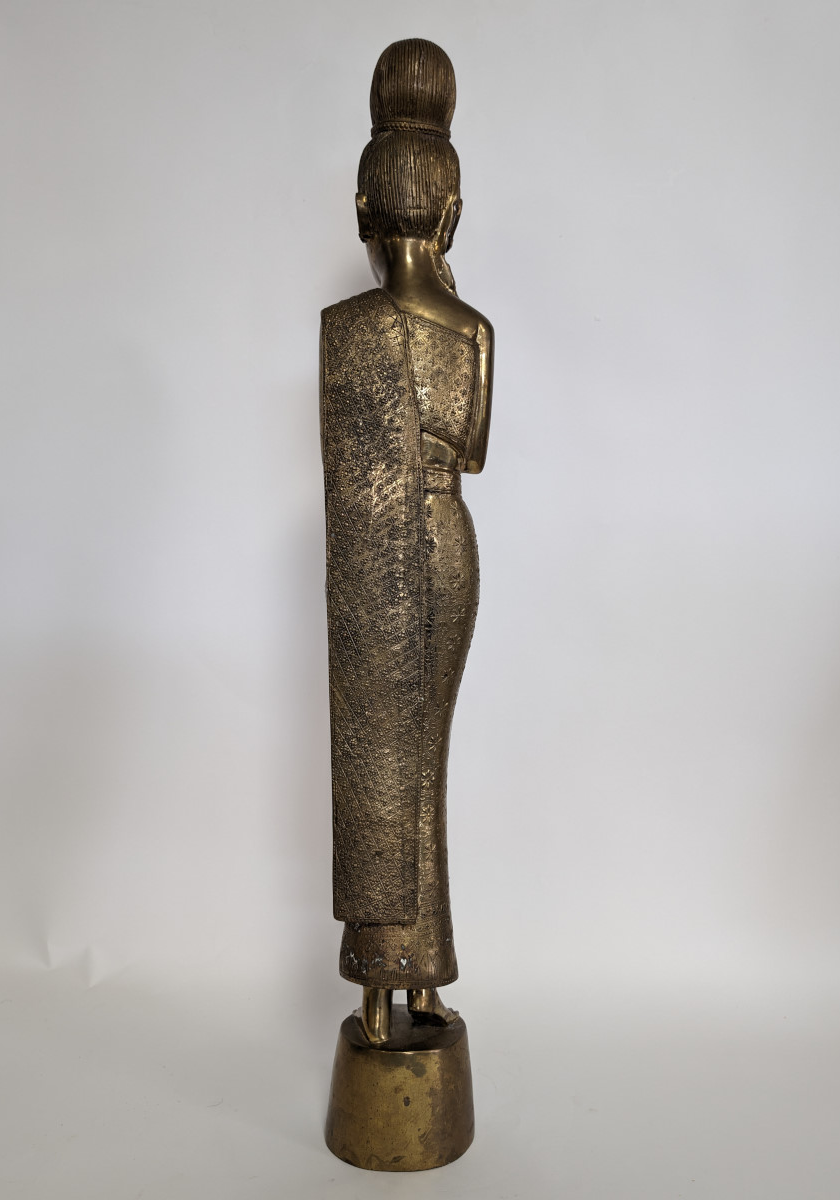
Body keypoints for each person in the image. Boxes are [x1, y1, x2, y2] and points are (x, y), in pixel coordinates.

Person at [321, 38, 493, 1044]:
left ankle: (386, 986)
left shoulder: (349, 329)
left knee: (383, 763)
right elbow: (470, 451)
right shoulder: (470, 331)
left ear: (363, 211)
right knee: (418, 768)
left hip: (375, 552)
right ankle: (417, 978)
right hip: (444, 538)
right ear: (451, 212)